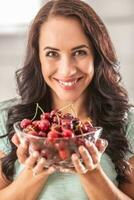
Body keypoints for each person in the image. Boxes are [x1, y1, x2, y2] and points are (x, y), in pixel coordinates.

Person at [0, 0, 134, 199]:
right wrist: (35, 168)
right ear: (38, 59)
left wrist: (91, 172)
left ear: (97, 56)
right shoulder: (6, 120)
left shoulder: (127, 123)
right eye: (52, 54)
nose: (67, 70)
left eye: (79, 52)